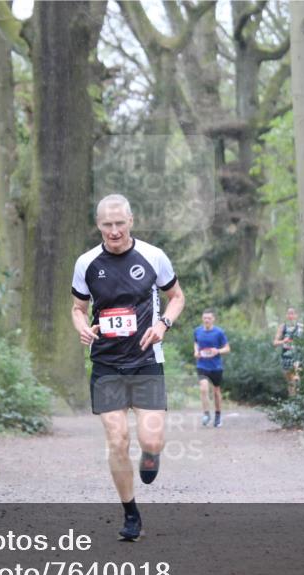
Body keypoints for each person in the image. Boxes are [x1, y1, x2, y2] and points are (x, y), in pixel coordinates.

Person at [71, 194, 185, 542]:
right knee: (117, 439)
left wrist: (163, 324)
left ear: (131, 221)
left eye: (120, 223)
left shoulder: (153, 256)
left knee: (151, 440)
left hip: (146, 360)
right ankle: (131, 514)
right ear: (98, 225)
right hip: (106, 363)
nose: (114, 231)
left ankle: (151, 454)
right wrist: (81, 327)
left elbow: (177, 297)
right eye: (107, 225)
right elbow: (78, 308)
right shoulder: (86, 263)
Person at [193, 309, 230, 428]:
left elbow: (227, 348)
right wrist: (196, 351)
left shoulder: (219, 332)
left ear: (213, 319)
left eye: (209, 318)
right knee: (203, 389)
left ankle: (218, 415)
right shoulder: (197, 331)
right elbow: (196, 343)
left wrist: (217, 351)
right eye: (205, 318)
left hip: (216, 366)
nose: (207, 320)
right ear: (202, 318)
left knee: (216, 391)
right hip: (202, 365)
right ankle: (206, 414)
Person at [273, 307, 303, 396]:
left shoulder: (301, 327)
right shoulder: (283, 327)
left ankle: (298, 398)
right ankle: (292, 399)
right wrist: (283, 341)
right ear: (286, 315)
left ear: (296, 315)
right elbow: (275, 343)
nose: (291, 315)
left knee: (296, 379)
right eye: (289, 313)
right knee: (290, 382)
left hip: (297, 356)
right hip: (286, 357)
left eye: (292, 313)